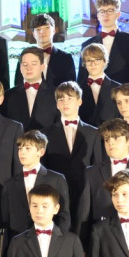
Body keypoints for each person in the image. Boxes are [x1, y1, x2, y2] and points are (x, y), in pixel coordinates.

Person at [76, 119, 129, 243]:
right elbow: (84, 213)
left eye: (116, 138)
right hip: (102, 239)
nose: (110, 143)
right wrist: (82, 245)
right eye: (107, 139)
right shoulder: (91, 172)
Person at [41, 81, 101, 216]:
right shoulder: (45, 133)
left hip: (84, 191)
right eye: (61, 99)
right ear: (57, 105)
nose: (65, 103)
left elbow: (97, 164)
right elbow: (43, 167)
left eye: (70, 98)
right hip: (55, 192)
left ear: (79, 101)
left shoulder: (94, 133)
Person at [1, 130, 70, 238]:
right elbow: (5, 219)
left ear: (41, 152)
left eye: (27, 148)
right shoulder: (10, 184)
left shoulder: (56, 179)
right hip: (19, 242)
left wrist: (59, 240)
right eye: (20, 148)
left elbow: (64, 215)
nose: (22, 152)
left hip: (50, 239)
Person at [80, 0, 129, 84]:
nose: (106, 15)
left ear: (118, 14)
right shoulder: (86, 45)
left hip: (122, 95)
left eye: (110, 11)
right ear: (98, 16)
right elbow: (82, 80)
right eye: (102, 11)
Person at [4, 46, 57, 130]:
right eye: (25, 64)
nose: (29, 68)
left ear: (42, 67)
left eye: (34, 64)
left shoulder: (56, 94)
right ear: (20, 68)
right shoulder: (7, 96)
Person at [19, 13, 75, 89]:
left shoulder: (65, 58)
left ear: (54, 30)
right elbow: (19, 86)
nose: (42, 32)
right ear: (33, 34)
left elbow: (71, 88)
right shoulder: (24, 58)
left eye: (47, 28)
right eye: (38, 29)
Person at [78, 44, 120, 127]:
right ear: (84, 63)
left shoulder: (118, 88)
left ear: (105, 61)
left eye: (97, 60)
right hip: (86, 137)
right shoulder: (77, 89)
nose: (93, 64)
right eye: (89, 60)